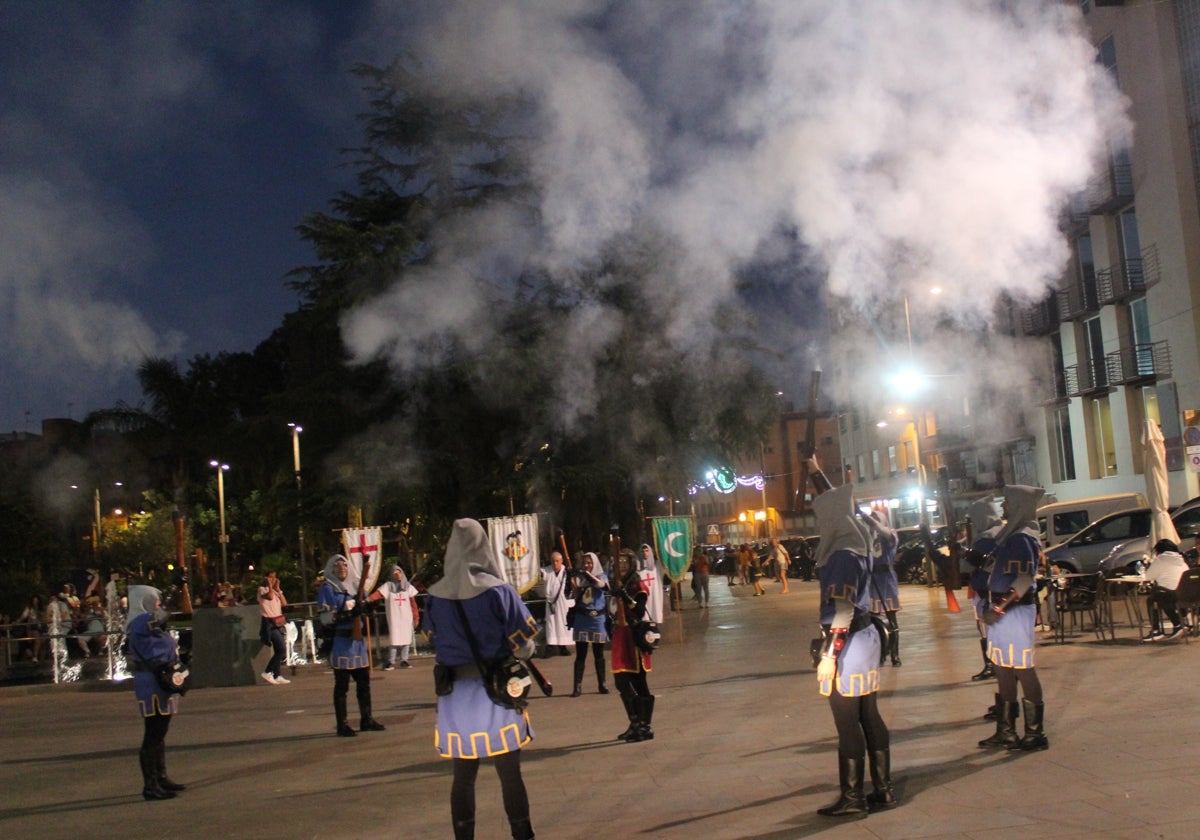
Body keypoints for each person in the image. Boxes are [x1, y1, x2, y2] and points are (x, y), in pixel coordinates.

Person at [425, 518, 538, 840]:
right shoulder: (498, 591)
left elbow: (435, 640)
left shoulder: (434, 596)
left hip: (455, 697)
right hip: (496, 692)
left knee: (463, 778)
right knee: (509, 773)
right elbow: (525, 645)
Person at [813, 482, 895, 816]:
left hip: (848, 642)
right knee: (868, 714)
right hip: (864, 639)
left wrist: (829, 657)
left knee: (847, 720)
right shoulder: (856, 547)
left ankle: (853, 798)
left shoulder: (842, 556)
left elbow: (843, 609)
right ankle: (882, 789)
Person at [978, 484, 1049, 752]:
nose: (1003, 506)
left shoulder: (1022, 538)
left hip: (1014, 611)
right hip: (1004, 611)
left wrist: (998, 609)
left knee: (1022, 667)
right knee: (1003, 668)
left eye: (1007, 502)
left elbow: (1023, 579)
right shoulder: (1012, 535)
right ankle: (1006, 731)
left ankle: (1035, 733)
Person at [125, 585, 186, 801]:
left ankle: (160, 777)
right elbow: (161, 616)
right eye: (155, 600)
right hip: (151, 682)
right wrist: (174, 588)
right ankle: (150, 785)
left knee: (159, 732)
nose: (158, 604)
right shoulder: (140, 622)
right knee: (153, 734)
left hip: (161, 680)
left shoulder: (149, 624)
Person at [317, 554, 385, 737]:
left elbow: (366, 605)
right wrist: (347, 615)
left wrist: (369, 608)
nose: (341, 569)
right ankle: (342, 724)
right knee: (342, 685)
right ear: (331, 569)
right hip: (341, 642)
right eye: (337, 566)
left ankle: (367, 719)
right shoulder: (328, 588)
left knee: (364, 682)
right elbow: (325, 618)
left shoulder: (356, 586)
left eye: (344, 566)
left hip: (358, 643)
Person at [611, 550, 656, 742]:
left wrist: (625, 597)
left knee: (639, 682)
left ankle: (645, 726)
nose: (621, 565)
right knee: (621, 683)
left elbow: (638, 610)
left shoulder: (637, 584)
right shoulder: (618, 584)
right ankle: (634, 722)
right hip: (620, 636)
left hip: (634, 637)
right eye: (618, 562)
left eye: (624, 562)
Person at [966, 498, 1002, 683]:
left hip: (988, 591)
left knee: (987, 630)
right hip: (988, 591)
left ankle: (993, 665)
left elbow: (970, 565)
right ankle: (993, 665)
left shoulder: (987, 538)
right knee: (986, 629)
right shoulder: (997, 533)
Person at [862, 510, 901, 666]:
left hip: (887, 579)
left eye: (876, 518)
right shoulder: (868, 538)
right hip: (871, 580)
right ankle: (879, 652)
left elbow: (883, 532)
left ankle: (895, 654)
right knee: (873, 620)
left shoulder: (890, 534)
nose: (873, 520)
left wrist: (872, 521)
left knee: (892, 620)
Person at [568, 552, 610, 697]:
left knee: (599, 654)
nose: (587, 565)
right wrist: (569, 578)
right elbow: (571, 594)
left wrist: (586, 574)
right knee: (581, 654)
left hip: (597, 619)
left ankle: (602, 684)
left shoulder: (601, 576)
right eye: (585, 562)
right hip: (582, 618)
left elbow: (602, 586)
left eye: (589, 562)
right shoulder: (578, 578)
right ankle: (577, 686)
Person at [369, 562, 421, 668]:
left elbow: (413, 603)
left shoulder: (407, 587)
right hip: (394, 618)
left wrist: (416, 617)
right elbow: (377, 594)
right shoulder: (388, 586)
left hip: (406, 618)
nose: (397, 574)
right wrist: (367, 599)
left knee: (406, 639)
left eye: (399, 572)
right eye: (395, 572)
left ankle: (404, 660)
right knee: (394, 639)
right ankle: (391, 661)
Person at [1142, 539, 1190, 642]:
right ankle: (1179, 624)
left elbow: (1148, 576)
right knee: (1160, 595)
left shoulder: (1160, 560)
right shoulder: (1181, 560)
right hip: (1187, 595)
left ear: (1158, 551)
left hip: (1171, 595)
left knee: (1153, 598)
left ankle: (1156, 631)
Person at [257, 570, 290, 685]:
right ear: (265, 578)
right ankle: (267, 671)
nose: (273, 579)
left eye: (274, 577)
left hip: (278, 622)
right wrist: (270, 586)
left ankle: (277, 674)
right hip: (270, 623)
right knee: (281, 649)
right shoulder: (262, 590)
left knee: (278, 649)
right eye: (270, 577)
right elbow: (270, 597)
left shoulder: (275, 591)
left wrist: (278, 589)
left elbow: (284, 603)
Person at [538, 551, 574, 657]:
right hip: (550, 602)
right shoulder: (547, 570)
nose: (555, 563)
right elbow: (538, 574)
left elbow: (572, 585)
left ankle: (562, 646)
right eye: (553, 561)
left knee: (562, 623)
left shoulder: (566, 571)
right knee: (551, 623)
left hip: (563, 602)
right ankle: (550, 646)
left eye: (557, 561)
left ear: (561, 561)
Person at [636, 543, 665, 622]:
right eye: (642, 551)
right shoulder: (637, 571)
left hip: (655, 599)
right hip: (644, 601)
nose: (645, 553)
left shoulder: (657, 568)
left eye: (647, 550)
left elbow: (665, 558)